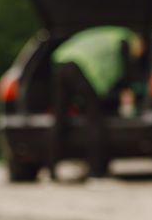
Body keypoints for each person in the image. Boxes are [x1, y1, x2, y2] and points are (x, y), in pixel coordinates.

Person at [49, 26, 145, 179]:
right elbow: (128, 71)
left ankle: (51, 170)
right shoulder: (124, 40)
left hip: (62, 63)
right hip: (83, 68)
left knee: (59, 118)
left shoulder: (105, 34)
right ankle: (97, 170)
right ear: (138, 42)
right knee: (95, 120)